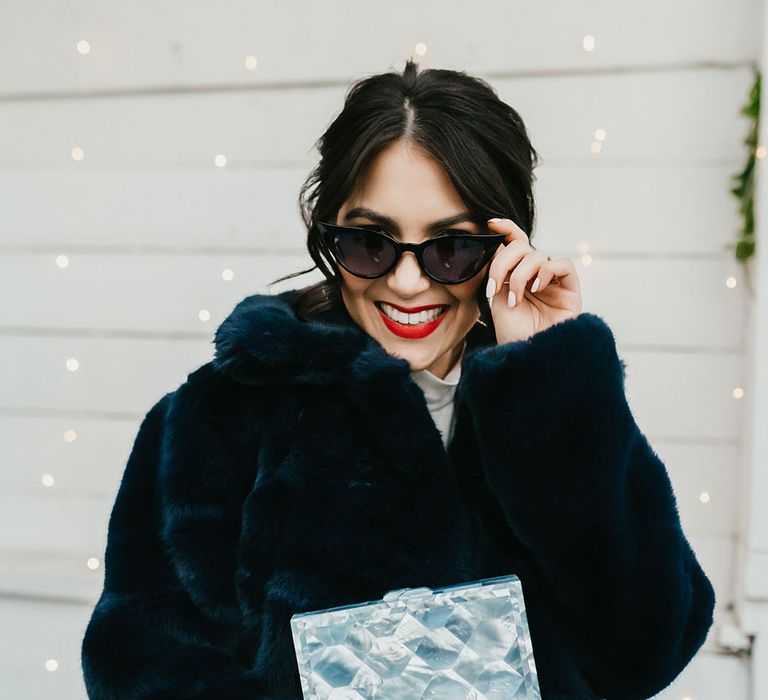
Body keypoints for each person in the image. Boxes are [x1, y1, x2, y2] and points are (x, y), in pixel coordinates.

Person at [81, 59, 715, 700]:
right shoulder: (214, 419)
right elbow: (140, 664)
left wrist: (545, 381)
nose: (408, 282)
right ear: (328, 234)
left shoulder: (555, 407)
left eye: (451, 248)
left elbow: (647, 649)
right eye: (370, 243)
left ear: (505, 245)